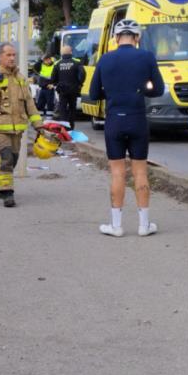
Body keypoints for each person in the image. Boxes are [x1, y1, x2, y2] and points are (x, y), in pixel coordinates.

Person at [87, 18, 165, 237]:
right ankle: (144, 225)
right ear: (137, 37)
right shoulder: (147, 56)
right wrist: (140, 91)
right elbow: (158, 89)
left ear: (116, 38)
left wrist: (112, 93)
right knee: (140, 172)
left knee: (117, 173)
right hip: (137, 118)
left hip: (114, 120)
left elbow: (94, 94)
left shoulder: (105, 59)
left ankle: (116, 226)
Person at [0, 43, 42, 208]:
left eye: (14, 55)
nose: (12, 58)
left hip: (17, 130)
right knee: (6, 158)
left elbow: (30, 104)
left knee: (13, 159)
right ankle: (7, 193)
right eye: (8, 55)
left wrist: (39, 125)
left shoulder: (21, 79)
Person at [51, 44, 85, 129]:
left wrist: (56, 84)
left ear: (62, 53)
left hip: (62, 90)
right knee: (72, 108)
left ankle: (64, 127)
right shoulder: (77, 62)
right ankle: (71, 126)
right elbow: (83, 74)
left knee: (62, 109)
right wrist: (79, 84)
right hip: (73, 89)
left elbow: (53, 77)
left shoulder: (57, 64)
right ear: (71, 52)